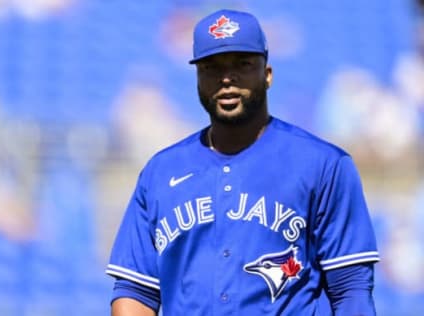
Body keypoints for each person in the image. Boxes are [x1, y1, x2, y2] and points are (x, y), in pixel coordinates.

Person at [106, 9, 380, 315]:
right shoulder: (160, 172)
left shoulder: (324, 165)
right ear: (197, 78)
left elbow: (351, 288)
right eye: (211, 67)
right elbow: (136, 291)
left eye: (243, 64)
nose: (226, 79)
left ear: (267, 74)